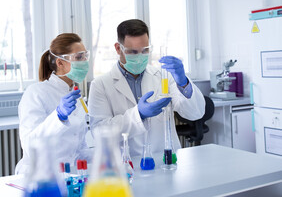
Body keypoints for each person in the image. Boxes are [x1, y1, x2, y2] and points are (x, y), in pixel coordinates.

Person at [88, 19, 205, 157]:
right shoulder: (100, 85)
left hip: (165, 160)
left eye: (145, 50)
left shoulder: (164, 77)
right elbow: (100, 132)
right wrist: (138, 114)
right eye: (133, 52)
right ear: (118, 49)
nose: (140, 57)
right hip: (127, 165)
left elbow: (195, 113)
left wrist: (183, 83)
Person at [16, 33, 92, 174]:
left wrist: (105, 156)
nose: (85, 62)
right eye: (79, 57)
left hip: (69, 175)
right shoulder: (36, 93)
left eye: (85, 56)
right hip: (39, 175)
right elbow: (30, 146)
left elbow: (78, 149)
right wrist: (58, 117)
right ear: (60, 63)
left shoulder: (76, 96)